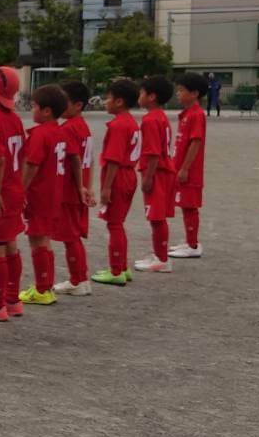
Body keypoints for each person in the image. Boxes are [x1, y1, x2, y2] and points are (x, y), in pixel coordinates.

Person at [19, 84, 71, 305]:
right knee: (44, 239)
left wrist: (20, 190)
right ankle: (46, 285)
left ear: (46, 111)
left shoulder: (41, 134)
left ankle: (42, 289)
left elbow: (32, 165)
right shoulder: (59, 132)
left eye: (33, 106)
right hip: (53, 192)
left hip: (40, 193)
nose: (31, 110)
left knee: (37, 239)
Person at [0, 65, 26, 319]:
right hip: (15, 187)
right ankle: (13, 300)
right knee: (11, 245)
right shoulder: (15, 119)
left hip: (1, 191)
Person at [92, 77, 141, 286]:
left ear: (119, 101)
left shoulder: (119, 125)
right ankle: (122, 266)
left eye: (109, 98)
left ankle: (116, 270)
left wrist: (106, 188)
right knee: (118, 223)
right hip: (129, 174)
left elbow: (113, 159)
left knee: (114, 224)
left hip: (119, 176)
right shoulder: (130, 121)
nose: (105, 101)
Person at [53, 79, 96, 296]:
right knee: (73, 236)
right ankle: (80, 278)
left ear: (77, 105)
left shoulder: (69, 128)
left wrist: (79, 187)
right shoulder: (83, 126)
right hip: (78, 188)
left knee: (70, 237)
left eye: (64, 101)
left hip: (70, 189)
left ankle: (78, 279)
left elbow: (74, 159)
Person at [133, 75, 176, 273]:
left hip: (157, 172)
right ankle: (160, 254)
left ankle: (162, 258)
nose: (138, 96)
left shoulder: (150, 120)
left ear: (151, 96)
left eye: (142, 93)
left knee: (156, 217)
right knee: (158, 217)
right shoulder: (161, 116)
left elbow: (152, 152)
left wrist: (148, 177)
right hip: (165, 170)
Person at [171, 72, 208, 257]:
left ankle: (193, 245)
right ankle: (189, 241)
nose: (178, 93)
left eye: (181, 90)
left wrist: (185, 168)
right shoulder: (186, 114)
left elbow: (196, 141)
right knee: (185, 205)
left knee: (190, 206)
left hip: (191, 171)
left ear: (194, 93)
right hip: (181, 166)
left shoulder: (196, 115)